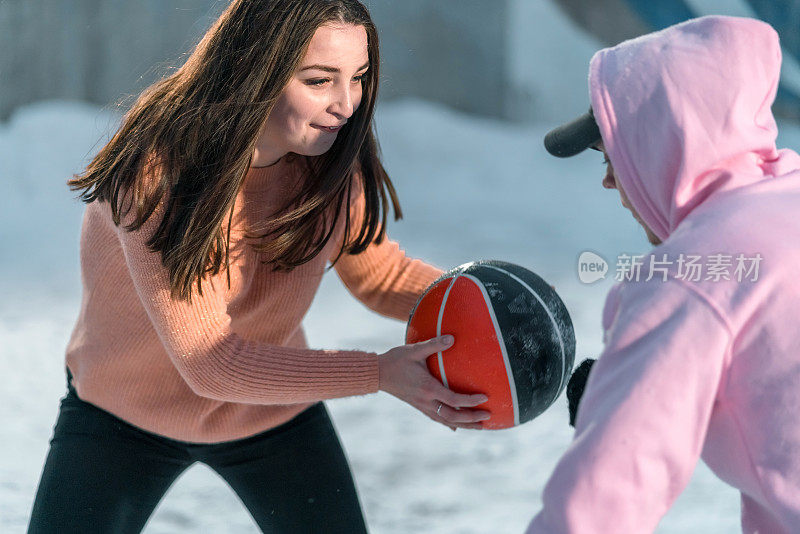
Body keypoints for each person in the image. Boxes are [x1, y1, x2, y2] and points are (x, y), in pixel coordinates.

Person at [26, 1, 490, 532]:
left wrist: (487, 295)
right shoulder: (159, 173)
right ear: (257, 69)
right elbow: (210, 364)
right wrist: (378, 372)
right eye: (319, 80)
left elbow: (378, 277)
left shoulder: (330, 161)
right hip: (121, 411)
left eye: (358, 77)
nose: (346, 104)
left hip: (271, 411)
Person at [530, 15, 800, 533]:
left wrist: (619, 410)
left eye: (614, 156)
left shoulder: (691, 275)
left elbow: (597, 506)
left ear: (663, 148)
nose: (610, 181)